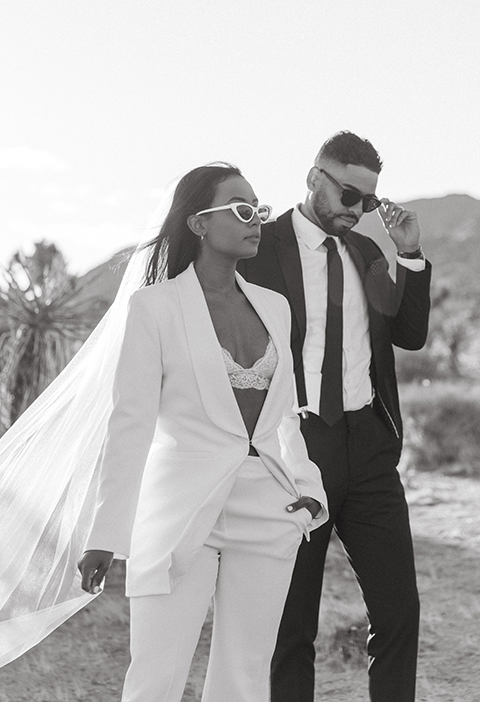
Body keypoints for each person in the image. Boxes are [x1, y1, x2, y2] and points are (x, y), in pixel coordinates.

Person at [74, 162, 328, 702]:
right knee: (156, 678)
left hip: (267, 509)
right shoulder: (155, 308)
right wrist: (106, 532)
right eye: (240, 209)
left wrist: (308, 491)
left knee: (245, 676)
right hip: (180, 512)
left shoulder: (276, 309)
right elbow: (131, 423)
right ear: (198, 224)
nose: (256, 219)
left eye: (259, 209)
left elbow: (284, 415)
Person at [237, 132, 432, 702]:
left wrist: (410, 254)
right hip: (295, 447)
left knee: (399, 611)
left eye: (367, 201)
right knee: (291, 624)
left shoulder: (369, 252)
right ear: (313, 177)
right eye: (348, 193)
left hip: (368, 444)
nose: (356, 209)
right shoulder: (258, 248)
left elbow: (409, 335)